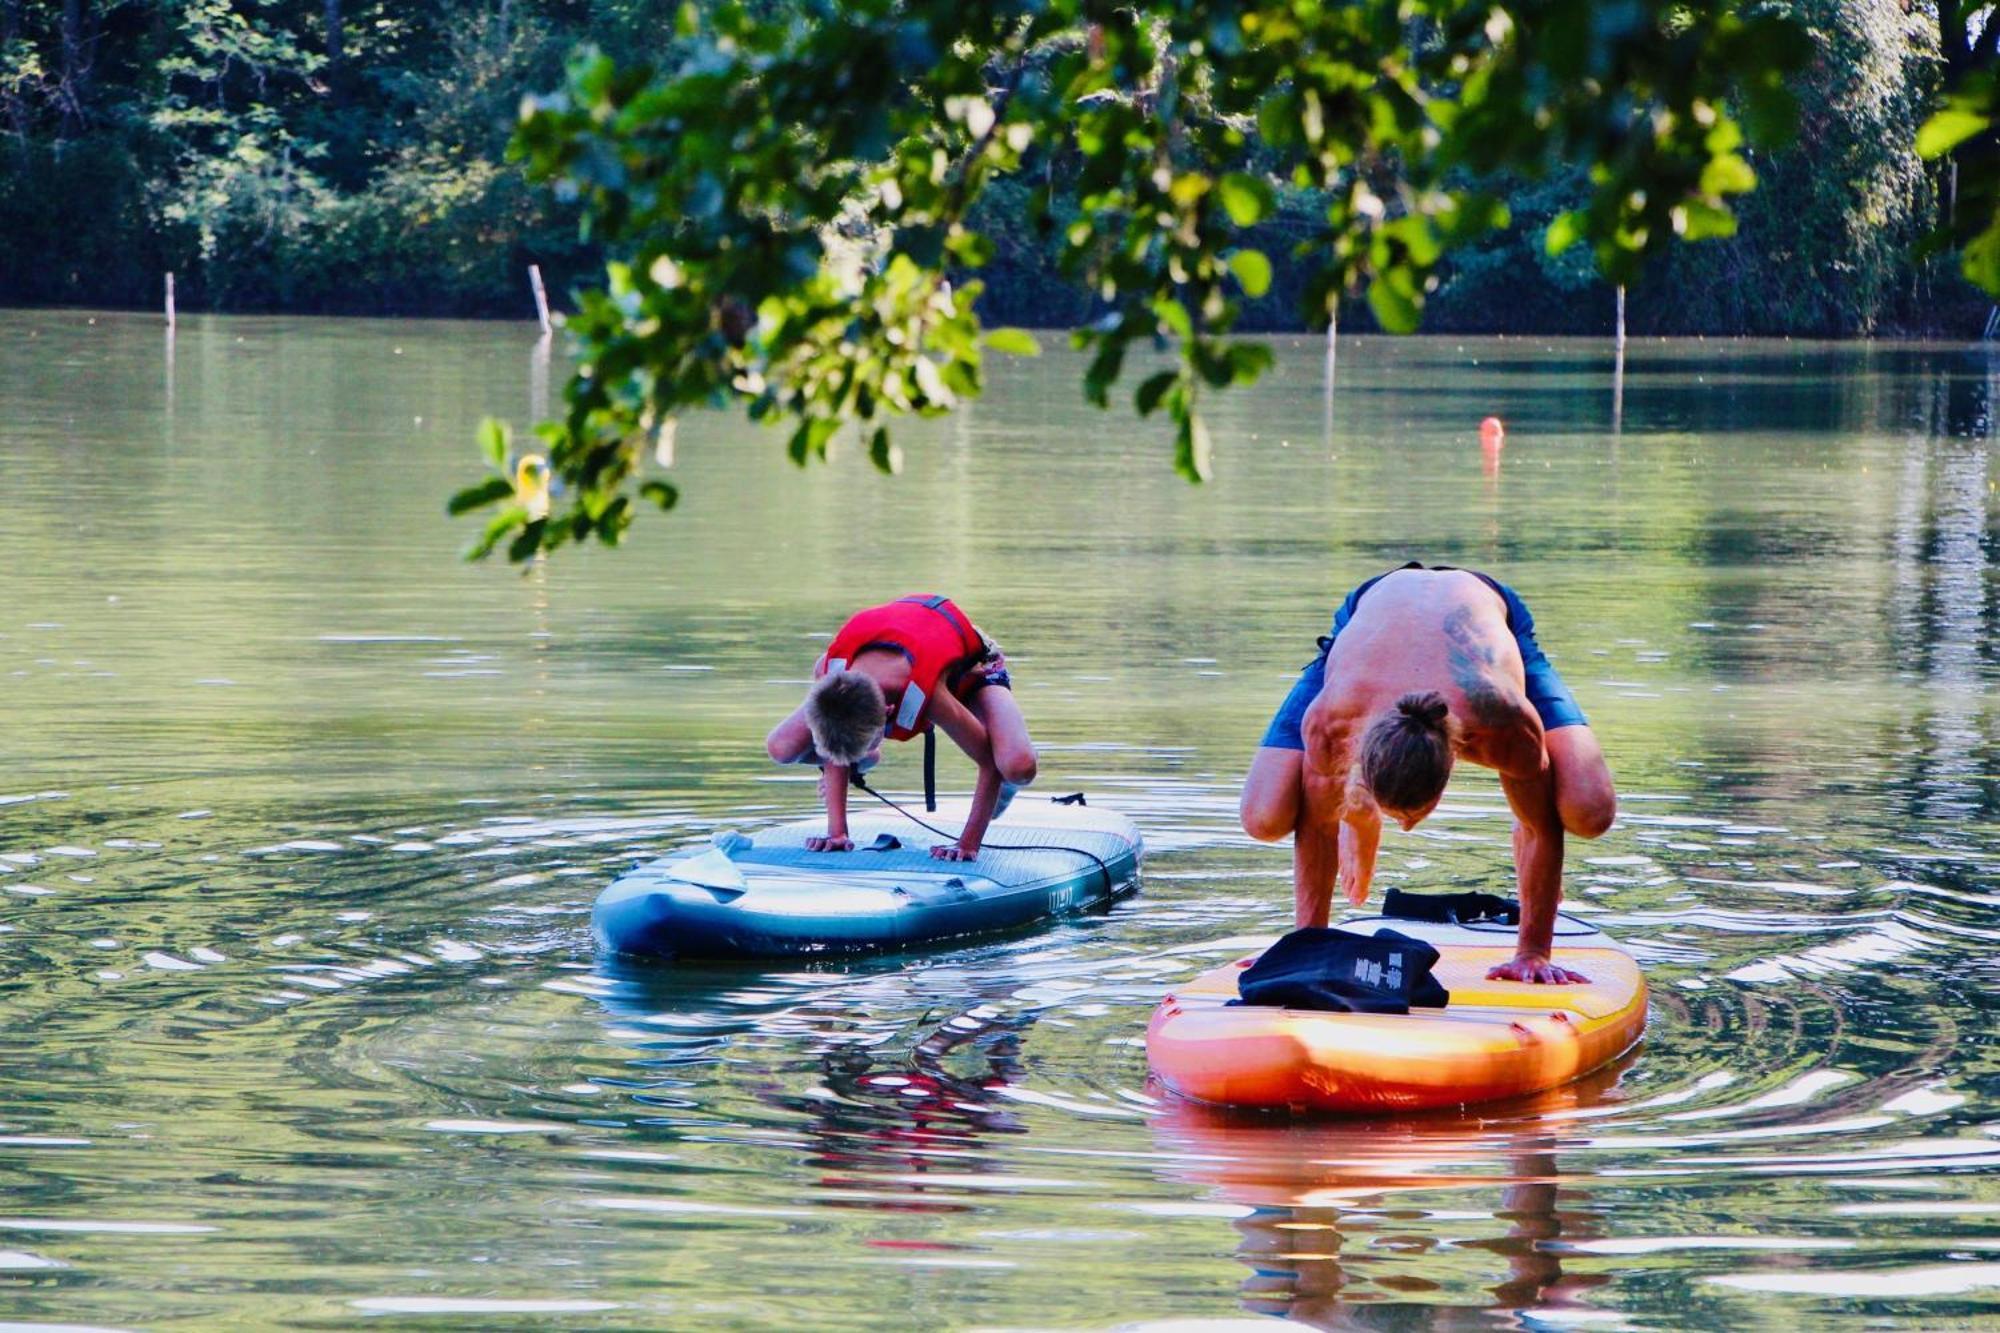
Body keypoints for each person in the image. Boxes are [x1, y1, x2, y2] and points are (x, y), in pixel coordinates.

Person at [1239, 563, 1616, 984]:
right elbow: (1316, 827)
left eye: (1413, 814)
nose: (1405, 826)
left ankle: (1523, 806)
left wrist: (1532, 952)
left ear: (1453, 761)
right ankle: (1358, 810)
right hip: (1372, 616)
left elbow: (1543, 829)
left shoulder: (1500, 720)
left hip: (1483, 619)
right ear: (1361, 753)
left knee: (1588, 810)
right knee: (1264, 817)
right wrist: (1307, 949)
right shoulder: (1333, 719)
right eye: (1397, 814)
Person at [765, 595, 1037, 861]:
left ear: (888, 714)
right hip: (901, 652)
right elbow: (835, 738)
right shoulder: (830, 674)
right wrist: (837, 833)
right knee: (781, 746)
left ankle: (1007, 775)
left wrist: (967, 845)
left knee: (1015, 765)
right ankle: (864, 757)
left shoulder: (927, 696)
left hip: (974, 670)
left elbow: (987, 762)